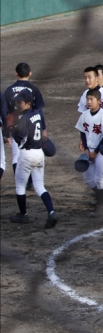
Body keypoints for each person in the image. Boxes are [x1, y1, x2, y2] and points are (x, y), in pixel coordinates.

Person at [8, 90, 57, 228]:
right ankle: (51, 212)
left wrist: (12, 129)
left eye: (20, 102)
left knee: (20, 186)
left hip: (26, 155)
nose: (17, 105)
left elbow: (20, 140)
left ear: (28, 103)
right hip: (39, 153)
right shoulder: (37, 113)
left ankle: (23, 215)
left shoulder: (24, 119)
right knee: (40, 186)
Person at [3, 62, 47, 177]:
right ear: (30, 73)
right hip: (32, 125)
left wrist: (6, 132)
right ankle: (30, 181)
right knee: (31, 152)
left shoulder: (9, 90)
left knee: (16, 155)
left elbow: (5, 112)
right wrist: (43, 129)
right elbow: (39, 111)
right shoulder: (34, 89)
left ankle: (20, 180)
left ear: (16, 74)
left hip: (15, 126)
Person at [75, 89, 103, 215]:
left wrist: (96, 151)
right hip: (89, 150)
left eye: (92, 99)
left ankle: (102, 206)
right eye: (87, 99)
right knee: (88, 179)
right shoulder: (84, 115)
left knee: (100, 179)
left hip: (102, 151)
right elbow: (82, 132)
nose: (89, 102)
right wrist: (86, 148)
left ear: (99, 101)